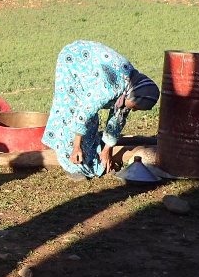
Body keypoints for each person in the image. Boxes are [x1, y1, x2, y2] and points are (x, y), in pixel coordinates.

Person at [42, 40, 159, 179]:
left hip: (92, 66)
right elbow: (84, 113)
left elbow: (118, 118)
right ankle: (72, 164)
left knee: (90, 126)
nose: (133, 110)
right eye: (136, 107)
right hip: (74, 61)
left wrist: (107, 150)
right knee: (71, 112)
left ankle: (90, 158)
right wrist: (77, 146)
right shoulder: (109, 85)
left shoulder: (132, 86)